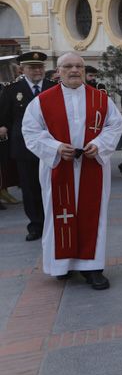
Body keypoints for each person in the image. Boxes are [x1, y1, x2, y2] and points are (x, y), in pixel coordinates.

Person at [21, 53, 122, 289]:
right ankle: (62, 265)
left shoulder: (101, 99)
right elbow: (31, 132)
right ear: (58, 71)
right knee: (61, 215)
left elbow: (115, 125)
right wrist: (56, 148)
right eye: (68, 66)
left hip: (92, 165)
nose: (74, 70)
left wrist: (99, 144)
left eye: (79, 66)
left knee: (92, 215)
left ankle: (92, 268)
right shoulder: (42, 101)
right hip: (58, 167)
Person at [0, 52, 57, 239]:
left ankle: (54, 222)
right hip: (25, 148)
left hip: (52, 145)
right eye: (32, 67)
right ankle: (36, 225)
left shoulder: (54, 88)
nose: (37, 70)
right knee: (30, 187)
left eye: (40, 66)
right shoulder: (11, 90)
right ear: (22, 69)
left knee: (52, 186)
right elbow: (5, 118)